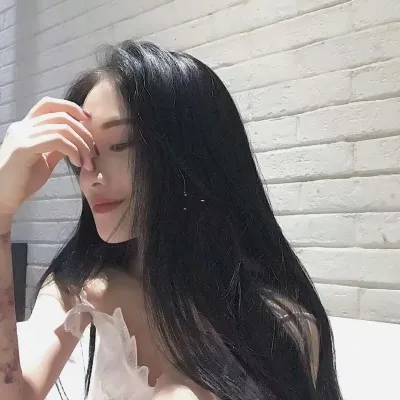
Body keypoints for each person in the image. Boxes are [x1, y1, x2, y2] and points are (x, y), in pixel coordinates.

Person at [0, 40, 343, 400]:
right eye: (84, 152)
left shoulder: (278, 323)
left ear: (191, 152)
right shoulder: (81, 282)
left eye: (120, 144)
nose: (91, 176)